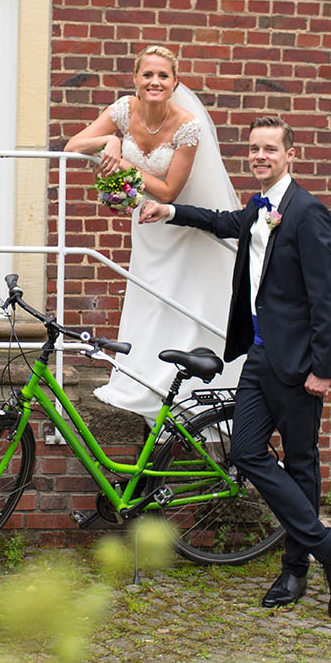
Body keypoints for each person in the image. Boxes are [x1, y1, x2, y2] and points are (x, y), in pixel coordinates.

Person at [137, 115, 331, 617]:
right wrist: (169, 210)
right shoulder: (257, 208)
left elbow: (327, 297)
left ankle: (296, 568)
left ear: (289, 155)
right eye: (254, 149)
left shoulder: (306, 211)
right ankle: (330, 546)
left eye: (270, 149)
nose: (260, 156)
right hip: (257, 358)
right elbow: (221, 223)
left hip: (298, 364)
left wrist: (325, 368)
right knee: (249, 452)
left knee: (301, 464)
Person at [63, 45, 242, 425]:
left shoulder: (188, 126)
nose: (155, 81)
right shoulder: (123, 110)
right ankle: (139, 377)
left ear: (175, 81)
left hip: (180, 223)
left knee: (184, 297)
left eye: (163, 75)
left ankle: (185, 387)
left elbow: (167, 190)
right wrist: (109, 141)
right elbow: (73, 145)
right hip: (147, 225)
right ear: (136, 79)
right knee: (147, 291)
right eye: (148, 75)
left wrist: (124, 163)